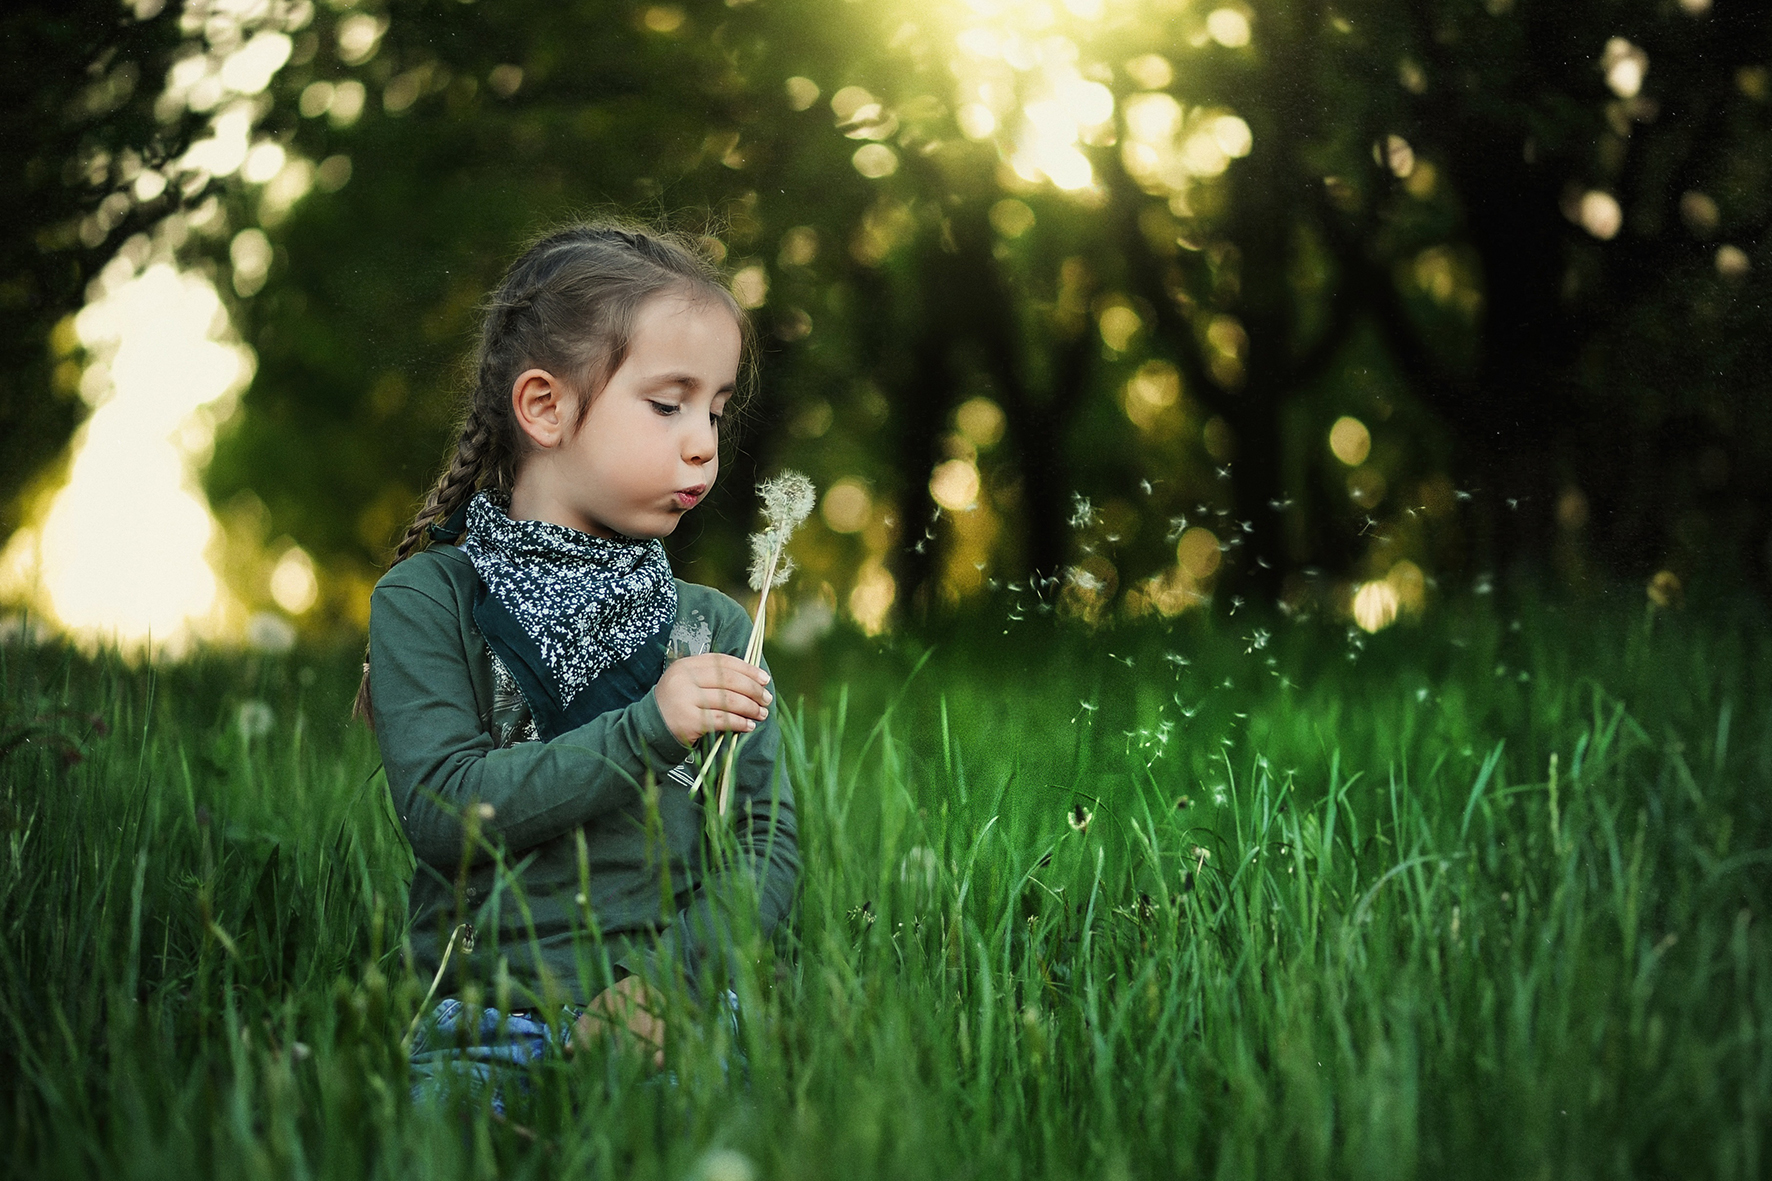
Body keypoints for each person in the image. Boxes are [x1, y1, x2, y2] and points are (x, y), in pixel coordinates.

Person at [355, 222, 799, 1103]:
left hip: (675, 1009)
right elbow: (447, 814)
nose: (705, 441)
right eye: (669, 405)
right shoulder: (427, 601)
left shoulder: (712, 625)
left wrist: (672, 984)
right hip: (486, 1012)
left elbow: (767, 842)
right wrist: (650, 728)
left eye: (715, 409)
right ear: (546, 407)